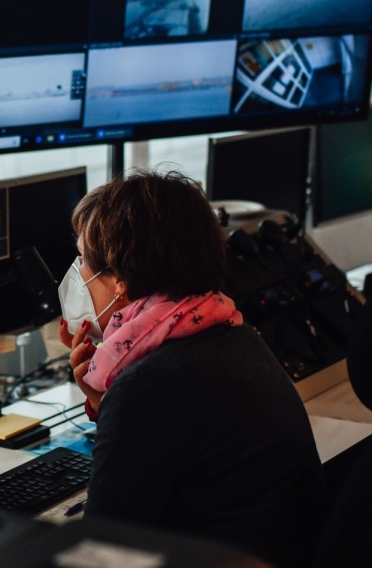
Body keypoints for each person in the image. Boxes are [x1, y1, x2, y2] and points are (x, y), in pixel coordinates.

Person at [58, 168, 327, 568]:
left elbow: (101, 548)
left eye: (83, 259)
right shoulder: (232, 332)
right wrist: (105, 401)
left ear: (119, 282)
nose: (77, 272)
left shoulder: (148, 384)